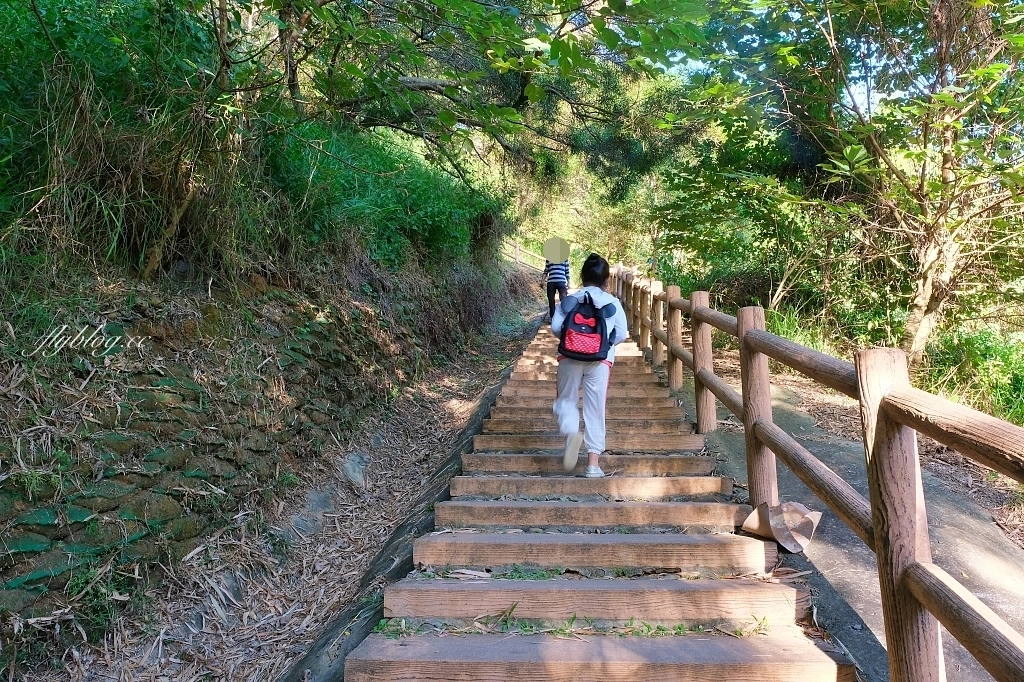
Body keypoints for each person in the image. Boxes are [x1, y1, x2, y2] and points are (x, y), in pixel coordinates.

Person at [550, 253, 629, 478]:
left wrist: (574, 341)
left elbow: (555, 327)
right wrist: (602, 344)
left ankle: (571, 432)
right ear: (606, 279)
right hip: (600, 361)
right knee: (595, 409)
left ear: (582, 276)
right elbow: (622, 334)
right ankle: (593, 465)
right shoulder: (612, 303)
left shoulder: (570, 300)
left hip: (569, 357)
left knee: (566, 400)